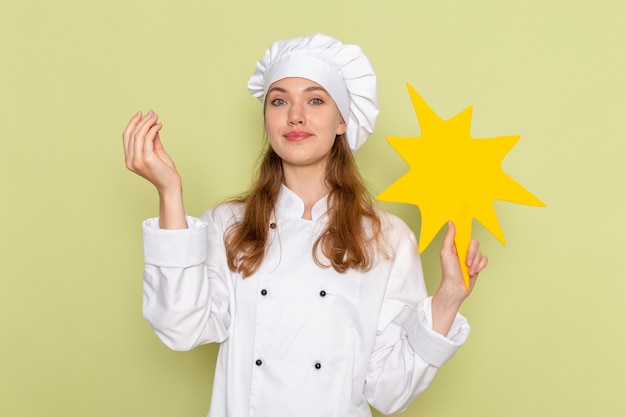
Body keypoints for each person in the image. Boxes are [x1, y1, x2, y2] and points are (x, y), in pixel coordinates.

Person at [122, 33, 487, 417]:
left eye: (315, 100)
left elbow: (388, 391)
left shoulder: (387, 237)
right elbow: (180, 326)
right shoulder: (228, 224)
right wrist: (170, 191)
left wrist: (447, 298)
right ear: (266, 121)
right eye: (279, 100)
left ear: (343, 120)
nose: (295, 115)